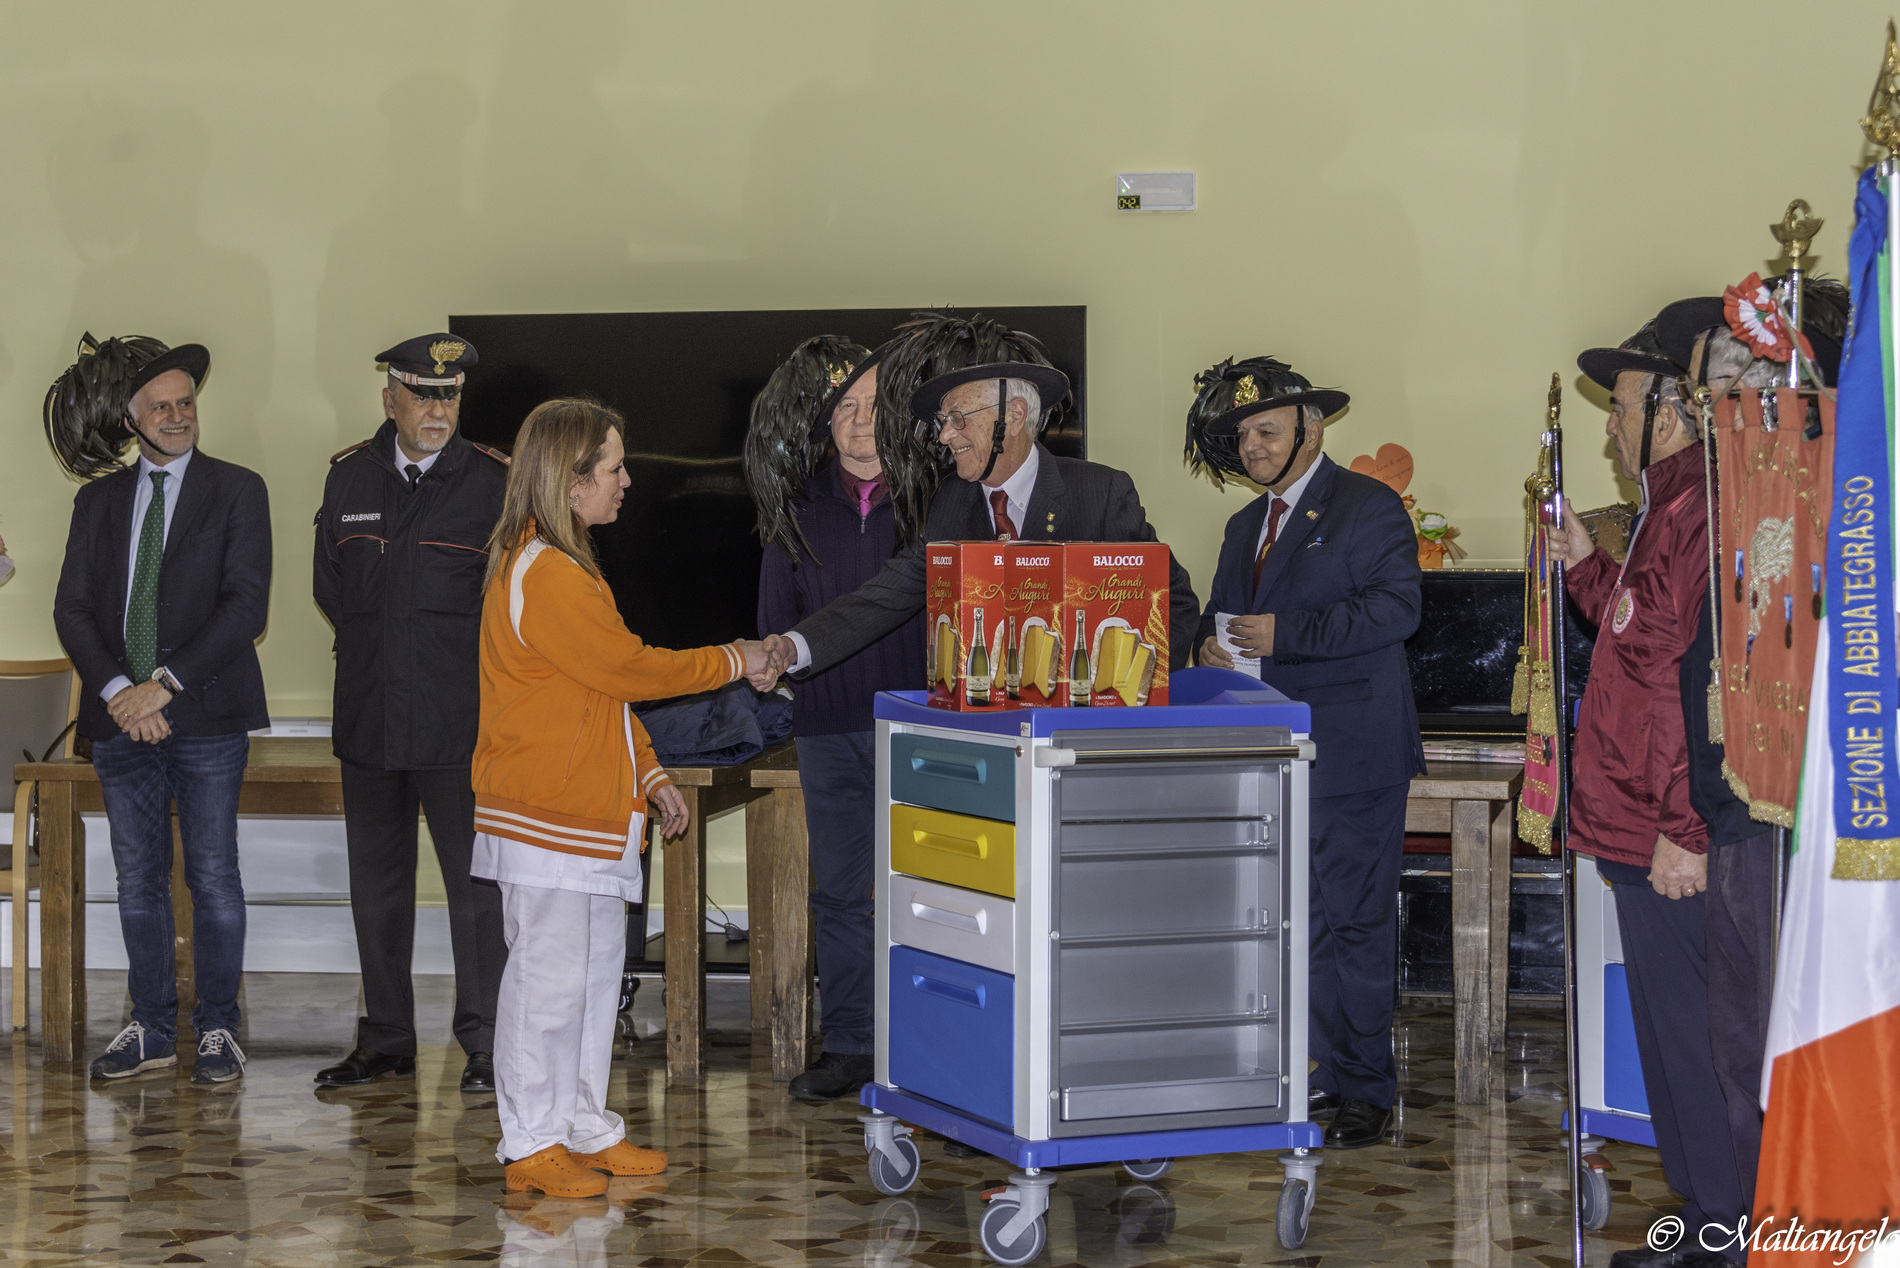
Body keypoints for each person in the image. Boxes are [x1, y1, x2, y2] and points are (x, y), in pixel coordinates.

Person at [472, 397, 773, 1198]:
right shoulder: (545, 570)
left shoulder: (565, 566)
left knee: (594, 979)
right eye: (613, 467)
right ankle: (531, 1143)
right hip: (547, 816)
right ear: (571, 482)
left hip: (590, 815)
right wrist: (735, 658)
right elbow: (631, 669)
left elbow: (600, 696)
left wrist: (649, 774)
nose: (627, 480)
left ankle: (581, 1127)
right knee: (546, 986)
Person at [1185, 356, 1423, 1150]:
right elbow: (1219, 617)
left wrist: (1287, 635)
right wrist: (1203, 646)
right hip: (1271, 756)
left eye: (1266, 430)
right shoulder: (1242, 527)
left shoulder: (1367, 505)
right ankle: (1324, 1073)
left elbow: (1397, 610)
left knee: (1354, 924)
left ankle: (1368, 1087)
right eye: (1243, 436)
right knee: (1301, 924)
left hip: (1353, 757)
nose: (1252, 447)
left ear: (1310, 432)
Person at [1552, 314, 1745, 1266]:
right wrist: (1583, 564)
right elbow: (1638, 632)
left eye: (1622, 405)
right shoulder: (1665, 508)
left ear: (1671, 409)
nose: (1610, 425)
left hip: (1668, 822)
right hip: (1634, 816)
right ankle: (1702, 1217)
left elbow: (1697, 684)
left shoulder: (1703, 509)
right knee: (1668, 1037)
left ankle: (1727, 1229)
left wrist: (1685, 825)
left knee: (1699, 1039)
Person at [48, 335, 271, 1085]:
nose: (178, 417)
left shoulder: (238, 490)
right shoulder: (97, 502)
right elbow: (73, 610)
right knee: (137, 880)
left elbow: (245, 608)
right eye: (162, 408)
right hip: (121, 722)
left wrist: (162, 685)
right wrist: (120, 693)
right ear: (132, 421)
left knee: (213, 876)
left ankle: (218, 1029)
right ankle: (149, 1027)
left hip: (206, 716)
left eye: (186, 404)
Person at [760, 313, 1199, 682]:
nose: (945, 436)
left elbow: (1173, 604)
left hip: (1078, 731)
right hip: (984, 732)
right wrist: (794, 647)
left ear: (1014, 415)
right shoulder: (947, 503)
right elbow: (883, 598)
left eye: (958, 418)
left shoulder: (1100, 493)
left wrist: (1134, 691)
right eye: (942, 421)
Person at [311, 334, 509, 1094]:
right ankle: (387, 1039)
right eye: (423, 394)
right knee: (377, 889)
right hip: (370, 718)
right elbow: (333, 588)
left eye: (450, 395)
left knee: (476, 891)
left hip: (459, 722)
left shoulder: (493, 483)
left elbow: (511, 606)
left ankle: (486, 1041)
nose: (438, 408)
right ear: (390, 398)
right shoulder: (349, 476)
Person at [745, 335, 926, 1103]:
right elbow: (774, 627)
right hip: (827, 736)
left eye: (874, 406)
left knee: (928, 894)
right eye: (844, 407)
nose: (858, 422)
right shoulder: (795, 511)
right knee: (843, 896)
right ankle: (851, 1044)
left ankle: (926, 1047)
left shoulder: (934, 505)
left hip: (922, 735)